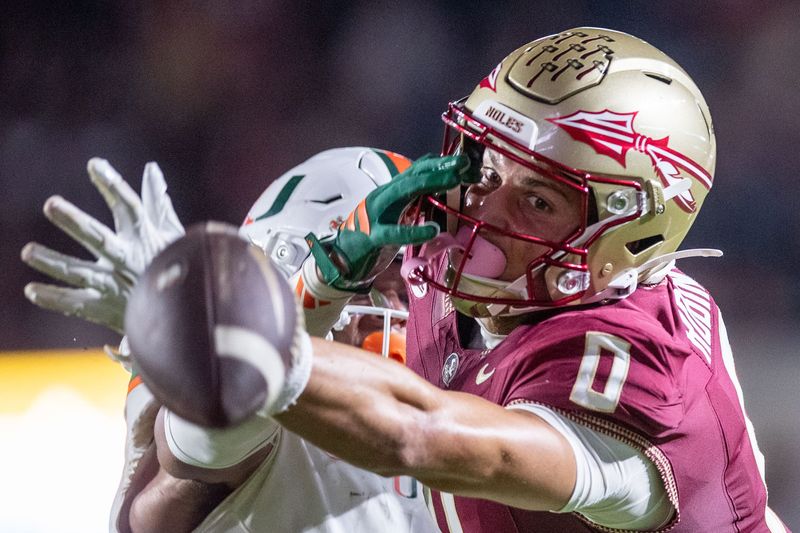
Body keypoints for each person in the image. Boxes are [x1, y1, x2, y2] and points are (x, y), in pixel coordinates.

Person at [234, 27, 786, 531]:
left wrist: (245, 341)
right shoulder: (496, 280)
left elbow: (422, 435)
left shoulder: (644, 372)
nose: (483, 208)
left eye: (537, 200)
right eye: (488, 168)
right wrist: (316, 289)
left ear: (627, 237)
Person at [21, 147, 436, 532]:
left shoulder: (447, 407)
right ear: (288, 276)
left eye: (424, 287)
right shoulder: (244, 420)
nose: (411, 312)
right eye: (384, 285)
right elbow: (210, 431)